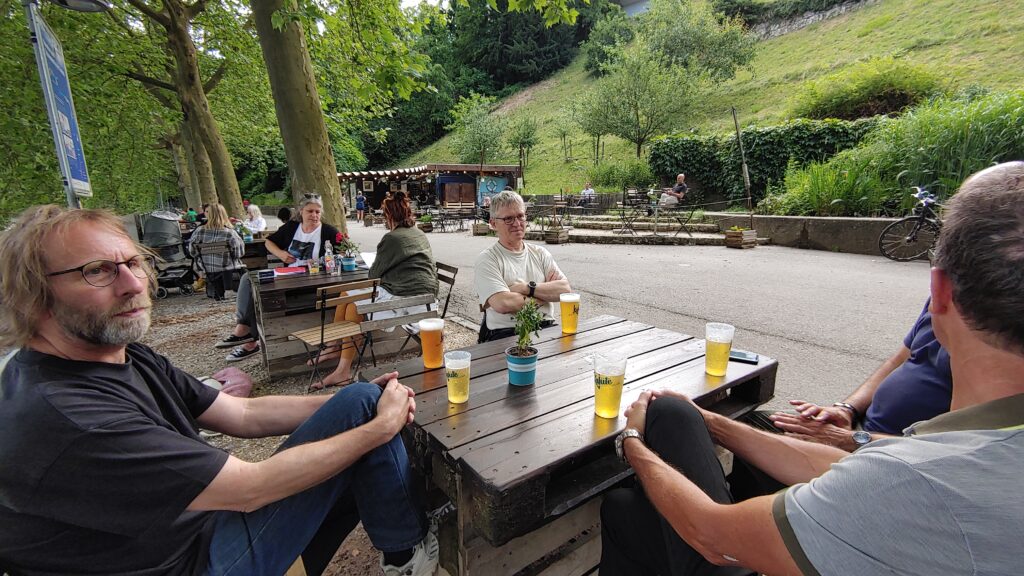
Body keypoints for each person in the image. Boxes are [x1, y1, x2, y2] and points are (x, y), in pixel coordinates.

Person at [600, 161, 1024, 576]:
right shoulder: (970, 446)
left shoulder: (917, 479)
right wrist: (713, 422)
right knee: (624, 510)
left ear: (939, 292)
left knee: (668, 417)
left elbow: (712, 538)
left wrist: (633, 444)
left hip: (730, 547)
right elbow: (856, 464)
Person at [0, 205, 439, 576]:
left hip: (194, 532)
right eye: (96, 271)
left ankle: (403, 551)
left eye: (133, 263)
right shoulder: (67, 415)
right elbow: (251, 488)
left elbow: (241, 414)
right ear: (33, 297)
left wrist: (351, 405)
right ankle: (408, 554)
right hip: (192, 562)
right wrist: (380, 427)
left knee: (359, 401)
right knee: (364, 433)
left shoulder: (122, 357)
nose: (133, 284)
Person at [768, 297, 952, 450]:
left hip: (893, 454)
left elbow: (949, 449)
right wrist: (847, 409)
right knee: (762, 427)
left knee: (761, 443)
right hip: (861, 429)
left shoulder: (966, 343)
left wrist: (855, 440)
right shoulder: (939, 301)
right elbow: (897, 361)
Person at [313, 192, 438, 389]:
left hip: (407, 302)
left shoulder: (391, 238)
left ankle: (341, 368)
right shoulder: (418, 233)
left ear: (389, 216)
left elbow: (374, 275)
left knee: (353, 305)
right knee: (346, 295)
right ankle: (335, 346)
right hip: (426, 299)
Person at [217, 194, 340, 362]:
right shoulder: (292, 227)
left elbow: (343, 252)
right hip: (287, 276)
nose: (314, 215)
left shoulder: (328, 231)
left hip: (313, 281)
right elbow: (269, 242)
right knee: (248, 279)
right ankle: (244, 328)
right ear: (301, 211)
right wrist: (281, 254)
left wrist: (327, 262)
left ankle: (247, 339)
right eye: (310, 211)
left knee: (263, 296)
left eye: (317, 212)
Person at [474, 190, 572, 343]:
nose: (517, 223)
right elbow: (503, 303)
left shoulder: (540, 253)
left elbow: (564, 290)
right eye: (508, 219)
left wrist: (526, 288)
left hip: (546, 328)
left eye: (520, 216)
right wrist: (544, 297)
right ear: (493, 224)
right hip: (506, 334)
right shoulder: (488, 259)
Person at [188, 203, 246, 301]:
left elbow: (192, 252)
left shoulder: (199, 231)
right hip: (228, 268)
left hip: (208, 268)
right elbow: (239, 253)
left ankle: (218, 292)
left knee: (216, 271)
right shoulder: (230, 233)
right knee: (236, 265)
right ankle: (230, 290)